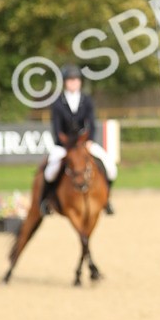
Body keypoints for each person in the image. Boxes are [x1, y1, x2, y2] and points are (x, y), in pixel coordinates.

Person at [41, 65, 118, 215]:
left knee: (110, 167)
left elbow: (92, 123)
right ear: (65, 82)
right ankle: (46, 201)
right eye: (70, 80)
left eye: (76, 80)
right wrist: (64, 143)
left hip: (84, 143)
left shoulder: (87, 100)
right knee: (50, 171)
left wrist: (89, 140)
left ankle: (106, 199)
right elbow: (56, 128)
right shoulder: (57, 103)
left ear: (80, 82)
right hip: (64, 145)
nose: (74, 83)